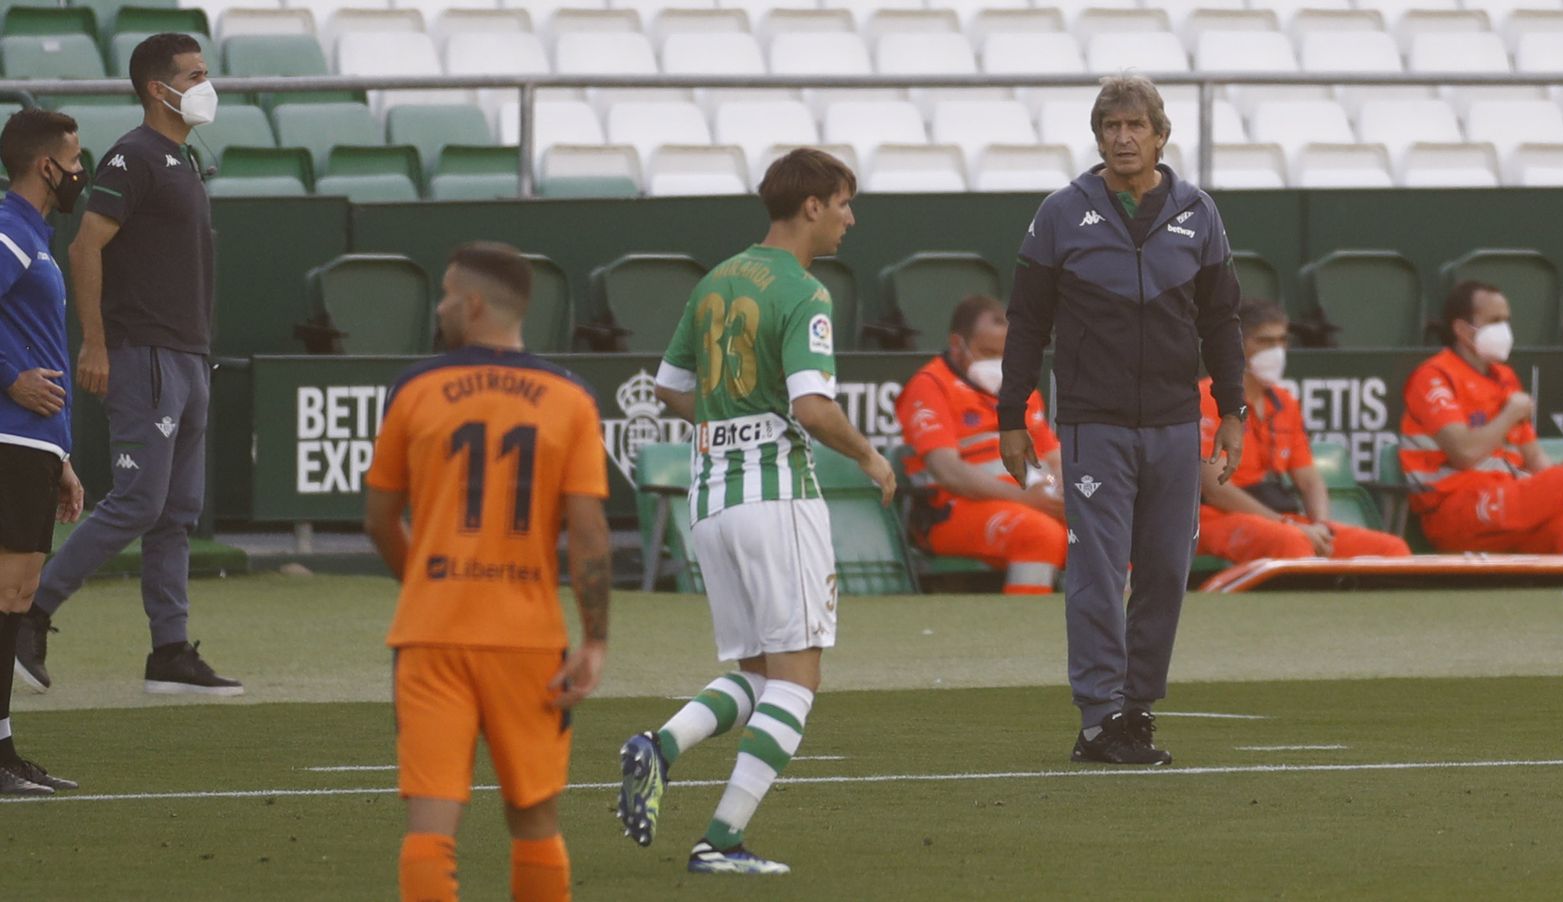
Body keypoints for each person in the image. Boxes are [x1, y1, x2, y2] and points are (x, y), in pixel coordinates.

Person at [617, 148, 894, 876]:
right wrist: (869, 456)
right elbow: (810, 403)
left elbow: (669, 389)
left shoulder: (716, 281)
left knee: (759, 675)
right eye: (843, 203)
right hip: (776, 497)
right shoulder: (805, 291)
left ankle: (659, 746)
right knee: (798, 681)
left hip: (710, 500)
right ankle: (720, 840)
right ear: (812, 206)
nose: (849, 218)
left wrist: (727, 416)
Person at [998, 75, 1246, 767]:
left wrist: (1233, 409)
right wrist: (1010, 415)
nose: (1124, 137)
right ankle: (1099, 717)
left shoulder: (1199, 213)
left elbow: (1223, 319)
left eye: (1136, 125)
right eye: (1111, 126)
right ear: (1098, 135)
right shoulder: (1059, 213)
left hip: (1175, 421)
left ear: (1161, 135)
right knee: (1099, 571)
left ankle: (1137, 709)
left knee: (1166, 568)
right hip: (1093, 422)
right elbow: (1026, 323)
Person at [364, 242, 611, 902]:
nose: (440, 306)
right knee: (533, 819)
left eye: (446, 295)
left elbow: (379, 517)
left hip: (431, 632)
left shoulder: (414, 390)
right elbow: (589, 535)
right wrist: (595, 641)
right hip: (528, 641)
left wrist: (426, 578)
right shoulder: (571, 400)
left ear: (472, 305)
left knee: (431, 824)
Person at [12, 33, 240, 696]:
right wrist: (96, 343)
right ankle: (31, 612)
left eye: (205, 70)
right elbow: (86, 248)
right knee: (139, 501)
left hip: (189, 356)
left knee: (177, 511)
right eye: (194, 73)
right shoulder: (132, 156)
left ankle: (169, 651)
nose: (205, 82)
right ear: (156, 88)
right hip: (146, 354)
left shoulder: (184, 158)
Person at [0, 109, 86, 796]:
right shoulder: (9, 226)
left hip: (34, 445)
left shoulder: (35, 235)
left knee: (18, 593)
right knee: (6, 593)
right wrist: (8, 377)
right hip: (8, 436)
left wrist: (59, 456)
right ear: (45, 165)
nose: (81, 170)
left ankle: (4, 750)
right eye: (76, 158)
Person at [1197, 298, 1410, 563]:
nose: (1276, 351)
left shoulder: (1285, 402)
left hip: (1280, 518)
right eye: (1265, 341)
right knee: (1292, 543)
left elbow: (1309, 480)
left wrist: (1321, 525)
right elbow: (1216, 489)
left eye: (1282, 340)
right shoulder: (1207, 398)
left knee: (1391, 549)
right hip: (1214, 518)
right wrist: (1287, 525)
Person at [1399, 281, 1563, 555]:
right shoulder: (1434, 376)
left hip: (1509, 509)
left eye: (1506, 320)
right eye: (1494, 320)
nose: (1504, 329)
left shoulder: (1505, 378)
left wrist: (1556, 476)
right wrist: (1509, 415)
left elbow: (1535, 459)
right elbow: (1464, 453)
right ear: (1461, 330)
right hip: (1455, 510)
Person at [895, 294, 1068, 595]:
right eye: (987, 352)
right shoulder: (931, 385)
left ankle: (1114, 635)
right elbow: (947, 470)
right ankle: (1025, 628)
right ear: (956, 344)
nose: (998, 363)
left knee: (1110, 532)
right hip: (950, 510)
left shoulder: (1020, 388)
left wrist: (1071, 495)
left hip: (1028, 501)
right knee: (1040, 535)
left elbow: (1053, 457)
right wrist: (1026, 498)